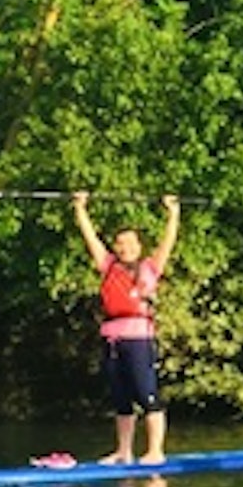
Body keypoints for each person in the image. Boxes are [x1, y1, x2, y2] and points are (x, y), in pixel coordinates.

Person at [73, 191, 181, 465]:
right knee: (120, 398)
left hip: (139, 339)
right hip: (111, 340)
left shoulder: (150, 267)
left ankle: (155, 451)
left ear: (139, 246)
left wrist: (173, 213)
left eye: (130, 243)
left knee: (146, 393)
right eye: (120, 243)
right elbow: (90, 238)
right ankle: (124, 451)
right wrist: (80, 208)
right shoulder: (108, 265)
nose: (125, 248)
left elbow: (168, 241)